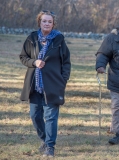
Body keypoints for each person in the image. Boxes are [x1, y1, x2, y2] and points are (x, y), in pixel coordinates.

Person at [19, 10, 71, 157]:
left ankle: (50, 147)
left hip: (53, 85)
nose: (47, 23)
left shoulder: (59, 40)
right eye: (44, 21)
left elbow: (66, 62)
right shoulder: (32, 38)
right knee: (35, 115)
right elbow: (23, 57)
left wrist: (63, 80)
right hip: (34, 85)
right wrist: (34, 62)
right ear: (39, 22)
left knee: (50, 117)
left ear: (53, 24)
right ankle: (44, 139)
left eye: (49, 21)